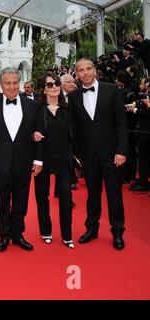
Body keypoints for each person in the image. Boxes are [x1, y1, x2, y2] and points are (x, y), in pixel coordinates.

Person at [68, 58, 128, 250]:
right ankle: (91, 229)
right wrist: (77, 156)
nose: (84, 73)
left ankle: (117, 232)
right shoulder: (75, 96)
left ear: (95, 71)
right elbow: (74, 128)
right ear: (76, 74)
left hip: (112, 154)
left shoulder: (111, 90)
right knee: (92, 194)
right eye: (80, 70)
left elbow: (121, 123)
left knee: (114, 195)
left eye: (88, 69)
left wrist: (121, 151)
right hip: (88, 155)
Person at [0, 67, 43, 252]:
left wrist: (38, 160)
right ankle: (4, 235)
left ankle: (18, 234)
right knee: (2, 200)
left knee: (21, 200)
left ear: (20, 82)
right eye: (7, 83)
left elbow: (38, 133)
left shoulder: (32, 105)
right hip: (0, 161)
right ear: (1, 84)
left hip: (24, 160)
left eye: (15, 82)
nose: (12, 86)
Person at [33, 73, 74, 248]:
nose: (54, 87)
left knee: (65, 197)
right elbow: (29, 131)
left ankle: (67, 235)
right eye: (49, 85)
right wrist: (32, 135)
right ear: (44, 90)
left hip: (63, 159)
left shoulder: (68, 110)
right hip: (43, 160)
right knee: (42, 197)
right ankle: (46, 231)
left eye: (56, 83)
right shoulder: (37, 111)